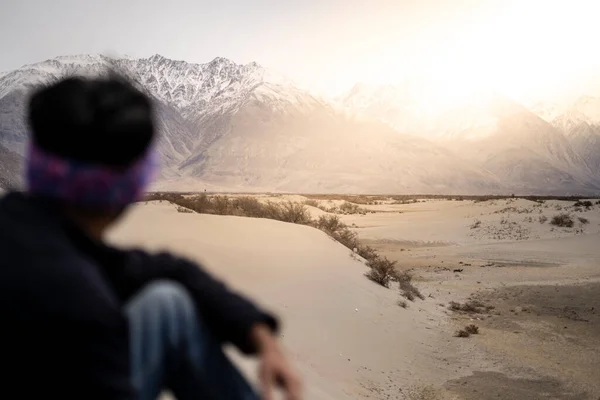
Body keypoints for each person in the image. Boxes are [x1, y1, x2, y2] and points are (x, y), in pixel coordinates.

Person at [0, 75, 302, 400]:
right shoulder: (82, 303)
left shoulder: (23, 228)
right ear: (128, 188)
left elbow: (166, 268)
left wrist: (260, 335)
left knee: (167, 303)